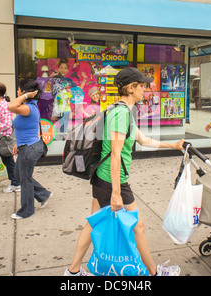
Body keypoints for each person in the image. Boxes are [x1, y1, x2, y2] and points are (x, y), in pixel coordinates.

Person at [64, 67, 185, 277]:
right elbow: (115, 155)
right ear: (131, 88)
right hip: (112, 180)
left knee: (93, 223)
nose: (145, 89)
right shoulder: (121, 113)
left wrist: (173, 146)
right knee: (138, 225)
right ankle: (155, 272)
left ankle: (73, 271)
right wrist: (117, 192)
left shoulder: (122, 110)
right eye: (142, 85)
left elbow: (144, 140)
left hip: (103, 178)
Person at [8, 79, 53, 220]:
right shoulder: (28, 106)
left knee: (25, 179)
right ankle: (43, 194)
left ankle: (26, 211)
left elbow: (10, 106)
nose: (17, 92)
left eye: (19, 89)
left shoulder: (29, 107)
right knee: (20, 175)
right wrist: (17, 144)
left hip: (30, 148)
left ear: (24, 92)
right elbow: (25, 128)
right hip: (25, 146)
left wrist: (27, 95)